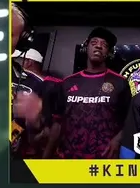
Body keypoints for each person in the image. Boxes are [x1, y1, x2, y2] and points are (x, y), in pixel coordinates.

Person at [49, 27, 131, 159]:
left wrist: (117, 140)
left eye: (104, 45)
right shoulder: (68, 82)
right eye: (94, 42)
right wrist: (45, 157)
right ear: (86, 47)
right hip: (69, 157)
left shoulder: (120, 82)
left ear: (109, 53)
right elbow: (57, 123)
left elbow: (131, 121)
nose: (98, 46)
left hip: (104, 159)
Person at [11, 47, 61, 159]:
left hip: (21, 140)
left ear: (28, 62)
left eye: (17, 60)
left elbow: (43, 124)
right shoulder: (16, 78)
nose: (14, 63)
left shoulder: (45, 85)